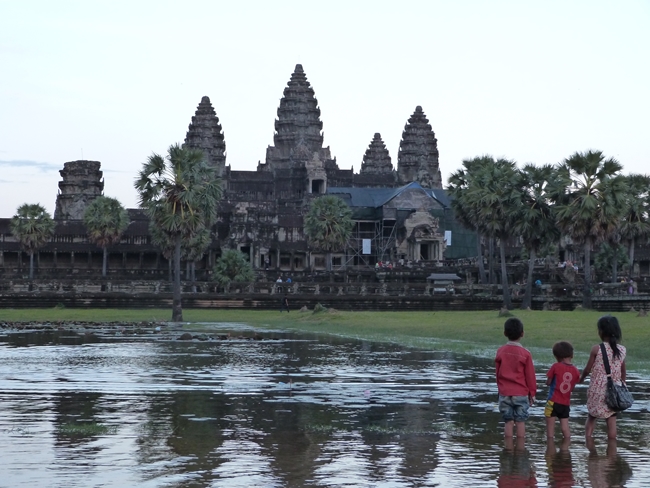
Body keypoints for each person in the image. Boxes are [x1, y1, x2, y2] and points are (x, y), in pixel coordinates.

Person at [579, 315, 627, 439]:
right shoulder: (622, 350)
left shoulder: (596, 349)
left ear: (600, 331)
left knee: (591, 416)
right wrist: (623, 385)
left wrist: (581, 379)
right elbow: (623, 371)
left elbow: (587, 369)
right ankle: (611, 452)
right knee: (611, 420)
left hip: (597, 389)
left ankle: (589, 443)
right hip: (614, 390)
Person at [495, 318, 537, 438]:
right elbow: (530, 376)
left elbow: (497, 373)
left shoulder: (500, 351)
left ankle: (508, 450)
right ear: (522, 334)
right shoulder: (525, 354)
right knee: (520, 421)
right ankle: (520, 450)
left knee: (508, 421)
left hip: (504, 392)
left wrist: (500, 389)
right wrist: (532, 392)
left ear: (505, 333)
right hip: (521, 393)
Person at [544, 341, 580, 439]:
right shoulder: (576, 371)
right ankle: (566, 448)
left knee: (550, 431)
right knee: (565, 427)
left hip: (552, 401)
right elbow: (572, 388)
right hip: (565, 403)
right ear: (571, 355)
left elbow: (548, 382)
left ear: (556, 356)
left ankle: (550, 450)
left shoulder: (556, 366)